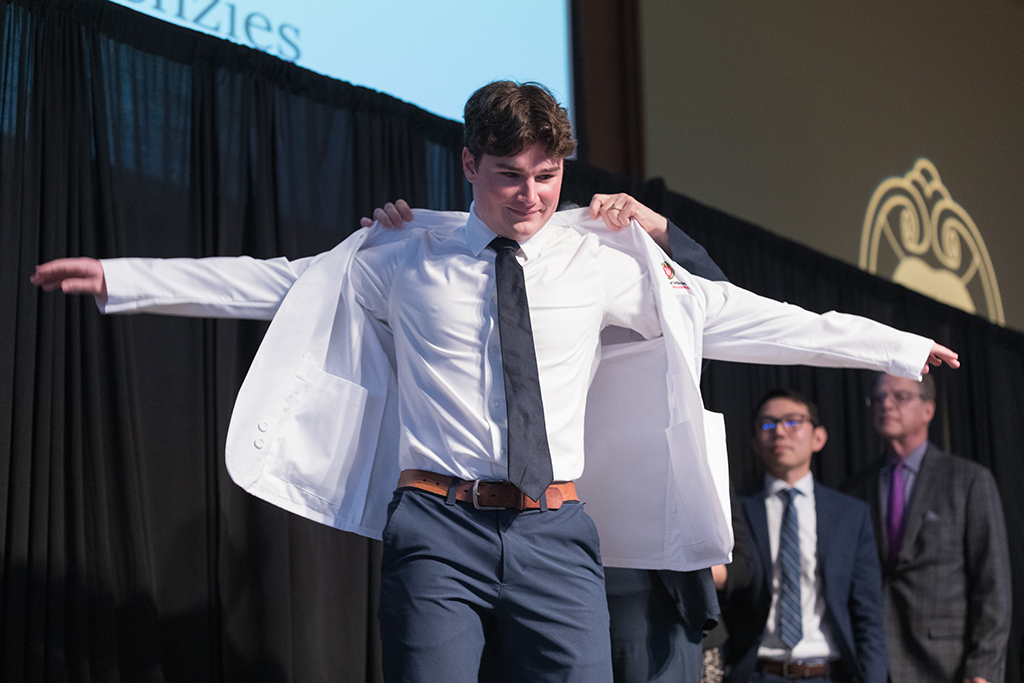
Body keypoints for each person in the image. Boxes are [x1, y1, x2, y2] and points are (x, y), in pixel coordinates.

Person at [31, 80, 958, 683]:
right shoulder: (403, 249)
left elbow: (746, 314)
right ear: (467, 164)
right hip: (437, 527)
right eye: (508, 175)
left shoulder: (605, 257)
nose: (530, 195)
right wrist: (128, 278)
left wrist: (898, 346)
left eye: (547, 176)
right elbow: (276, 281)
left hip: (558, 532)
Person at [366, 196, 729, 683]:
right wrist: (386, 237)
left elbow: (709, 305)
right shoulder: (459, 291)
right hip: (469, 525)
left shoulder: (616, 290)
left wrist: (661, 231)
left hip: (620, 561)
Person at [845, 373, 1010, 683]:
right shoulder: (856, 488)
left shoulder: (968, 480)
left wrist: (983, 670)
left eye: (900, 397)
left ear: (929, 410)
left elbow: (992, 584)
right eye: (878, 398)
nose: (887, 405)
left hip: (946, 664)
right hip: (871, 663)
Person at [721, 389, 886, 683]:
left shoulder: (850, 514)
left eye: (793, 422)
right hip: (758, 673)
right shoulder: (737, 514)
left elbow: (868, 613)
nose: (780, 432)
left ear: (818, 438)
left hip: (830, 673)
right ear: (755, 443)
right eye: (768, 425)